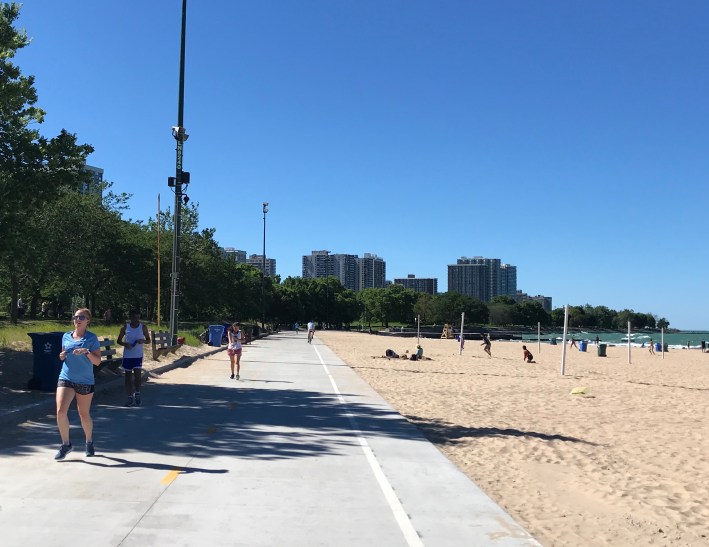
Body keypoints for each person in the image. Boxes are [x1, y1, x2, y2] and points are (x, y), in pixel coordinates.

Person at [55, 308, 102, 460]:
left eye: (81, 317)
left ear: (88, 320)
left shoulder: (91, 338)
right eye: (75, 317)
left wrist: (87, 352)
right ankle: (66, 444)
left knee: (83, 414)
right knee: (61, 412)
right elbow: (63, 355)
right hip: (66, 377)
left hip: (85, 380)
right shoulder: (66, 336)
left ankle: (89, 441)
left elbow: (97, 361)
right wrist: (62, 356)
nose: (77, 319)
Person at [117, 309, 151, 407]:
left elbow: (148, 340)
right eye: (134, 317)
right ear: (130, 317)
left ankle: (137, 394)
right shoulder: (125, 327)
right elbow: (118, 341)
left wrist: (143, 341)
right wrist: (124, 344)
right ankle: (129, 397)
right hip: (128, 355)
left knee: (137, 376)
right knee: (127, 376)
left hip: (138, 355)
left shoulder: (143, 327)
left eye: (138, 317)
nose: (136, 319)